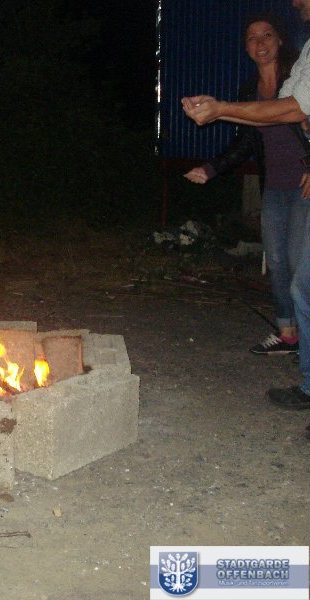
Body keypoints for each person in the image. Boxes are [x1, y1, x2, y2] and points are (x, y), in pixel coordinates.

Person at [183, 0, 310, 438]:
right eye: (252, 38)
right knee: (279, 264)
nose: (260, 43)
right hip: (275, 186)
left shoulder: (297, 73)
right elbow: (246, 140)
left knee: (301, 273)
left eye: (267, 35)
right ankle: (288, 336)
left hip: (304, 186)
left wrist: (220, 108)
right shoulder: (255, 86)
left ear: (280, 40)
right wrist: (211, 167)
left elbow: (299, 114)